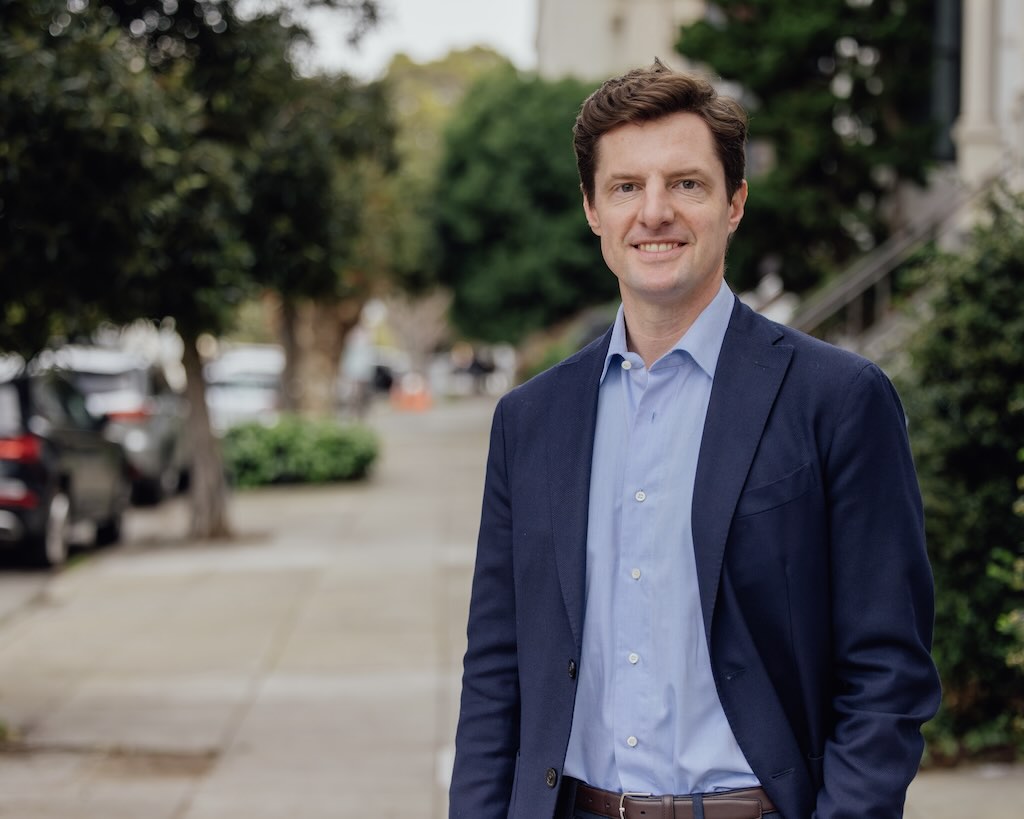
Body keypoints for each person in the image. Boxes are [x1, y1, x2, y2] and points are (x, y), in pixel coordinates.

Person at [448, 60, 941, 819]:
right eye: (625, 187)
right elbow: (496, 669)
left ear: (734, 202)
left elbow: (887, 668)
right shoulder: (530, 420)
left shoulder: (838, 400)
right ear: (592, 209)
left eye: (686, 183)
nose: (655, 212)